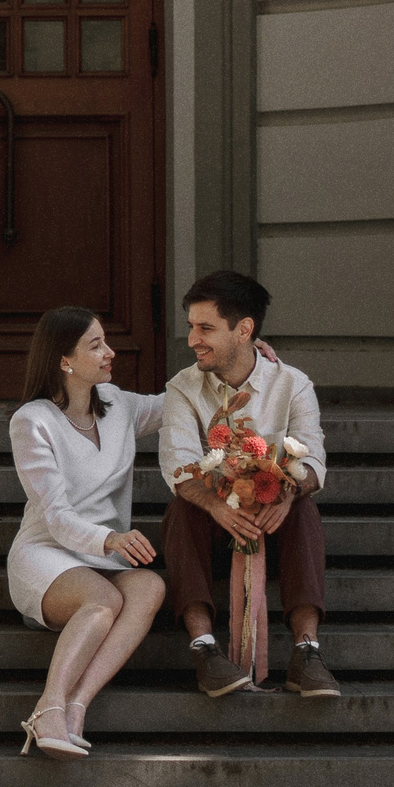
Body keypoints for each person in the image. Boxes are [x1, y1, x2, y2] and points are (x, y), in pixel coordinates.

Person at [158, 270, 341, 699]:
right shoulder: (183, 388)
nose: (192, 340)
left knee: (304, 508)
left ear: (244, 330)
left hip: (274, 533)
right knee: (181, 509)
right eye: (191, 327)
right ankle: (205, 650)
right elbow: (179, 467)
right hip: (215, 533)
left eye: (205, 328)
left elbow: (313, 457)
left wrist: (289, 492)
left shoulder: (292, 384)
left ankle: (306, 653)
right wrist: (218, 507)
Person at [4, 305, 167, 757]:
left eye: (106, 341)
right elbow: (54, 514)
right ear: (64, 360)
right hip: (47, 552)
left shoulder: (120, 406)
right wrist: (110, 538)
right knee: (103, 601)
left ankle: (77, 706)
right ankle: (47, 706)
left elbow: (183, 398)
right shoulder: (32, 421)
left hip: (104, 559)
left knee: (150, 586)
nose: (110, 352)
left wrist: (242, 359)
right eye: (96, 345)